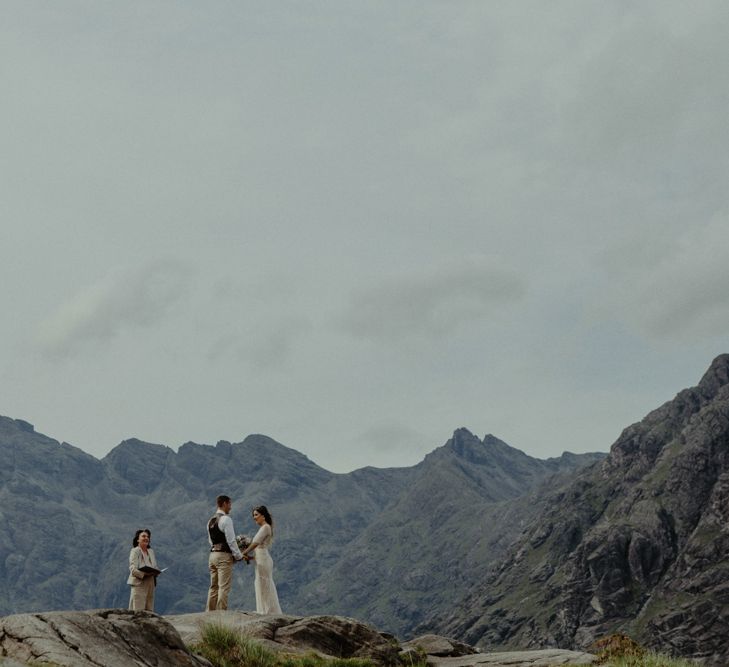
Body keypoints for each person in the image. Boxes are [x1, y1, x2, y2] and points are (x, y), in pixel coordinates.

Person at [241, 505, 282, 614]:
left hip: (263, 559)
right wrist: (249, 557)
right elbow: (258, 549)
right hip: (260, 558)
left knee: (264, 584)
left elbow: (256, 543)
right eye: (253, 515)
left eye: (256, 515)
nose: (254, 517)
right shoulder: (264, 528)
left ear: (263, 516)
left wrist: (243, 552)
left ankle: (268, 611)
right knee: (261, 584)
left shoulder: (265, 527)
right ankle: (263, 609)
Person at [206, 494, 244, 611]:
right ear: (224, 504)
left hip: (212, 555)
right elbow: (231, 540)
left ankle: (209, 613)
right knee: (223, 587)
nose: (230, 507)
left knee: (213, 587)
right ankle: (221, 615)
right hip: (223, 556)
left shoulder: (210, 521)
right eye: (229, 504)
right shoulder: (226, 519)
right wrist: (238, 556)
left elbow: (210, 541)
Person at [127, 528, 159, 611]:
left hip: (150, 584)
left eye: (148, 537)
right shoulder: (135, 551)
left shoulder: (151, 551)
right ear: (138, 539)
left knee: (149, 610)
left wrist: (156, 571)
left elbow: (154, 566)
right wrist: (144, 574)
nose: (146, 538)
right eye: (143, 536)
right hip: (139, 584)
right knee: (138, 611)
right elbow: (132, 569)